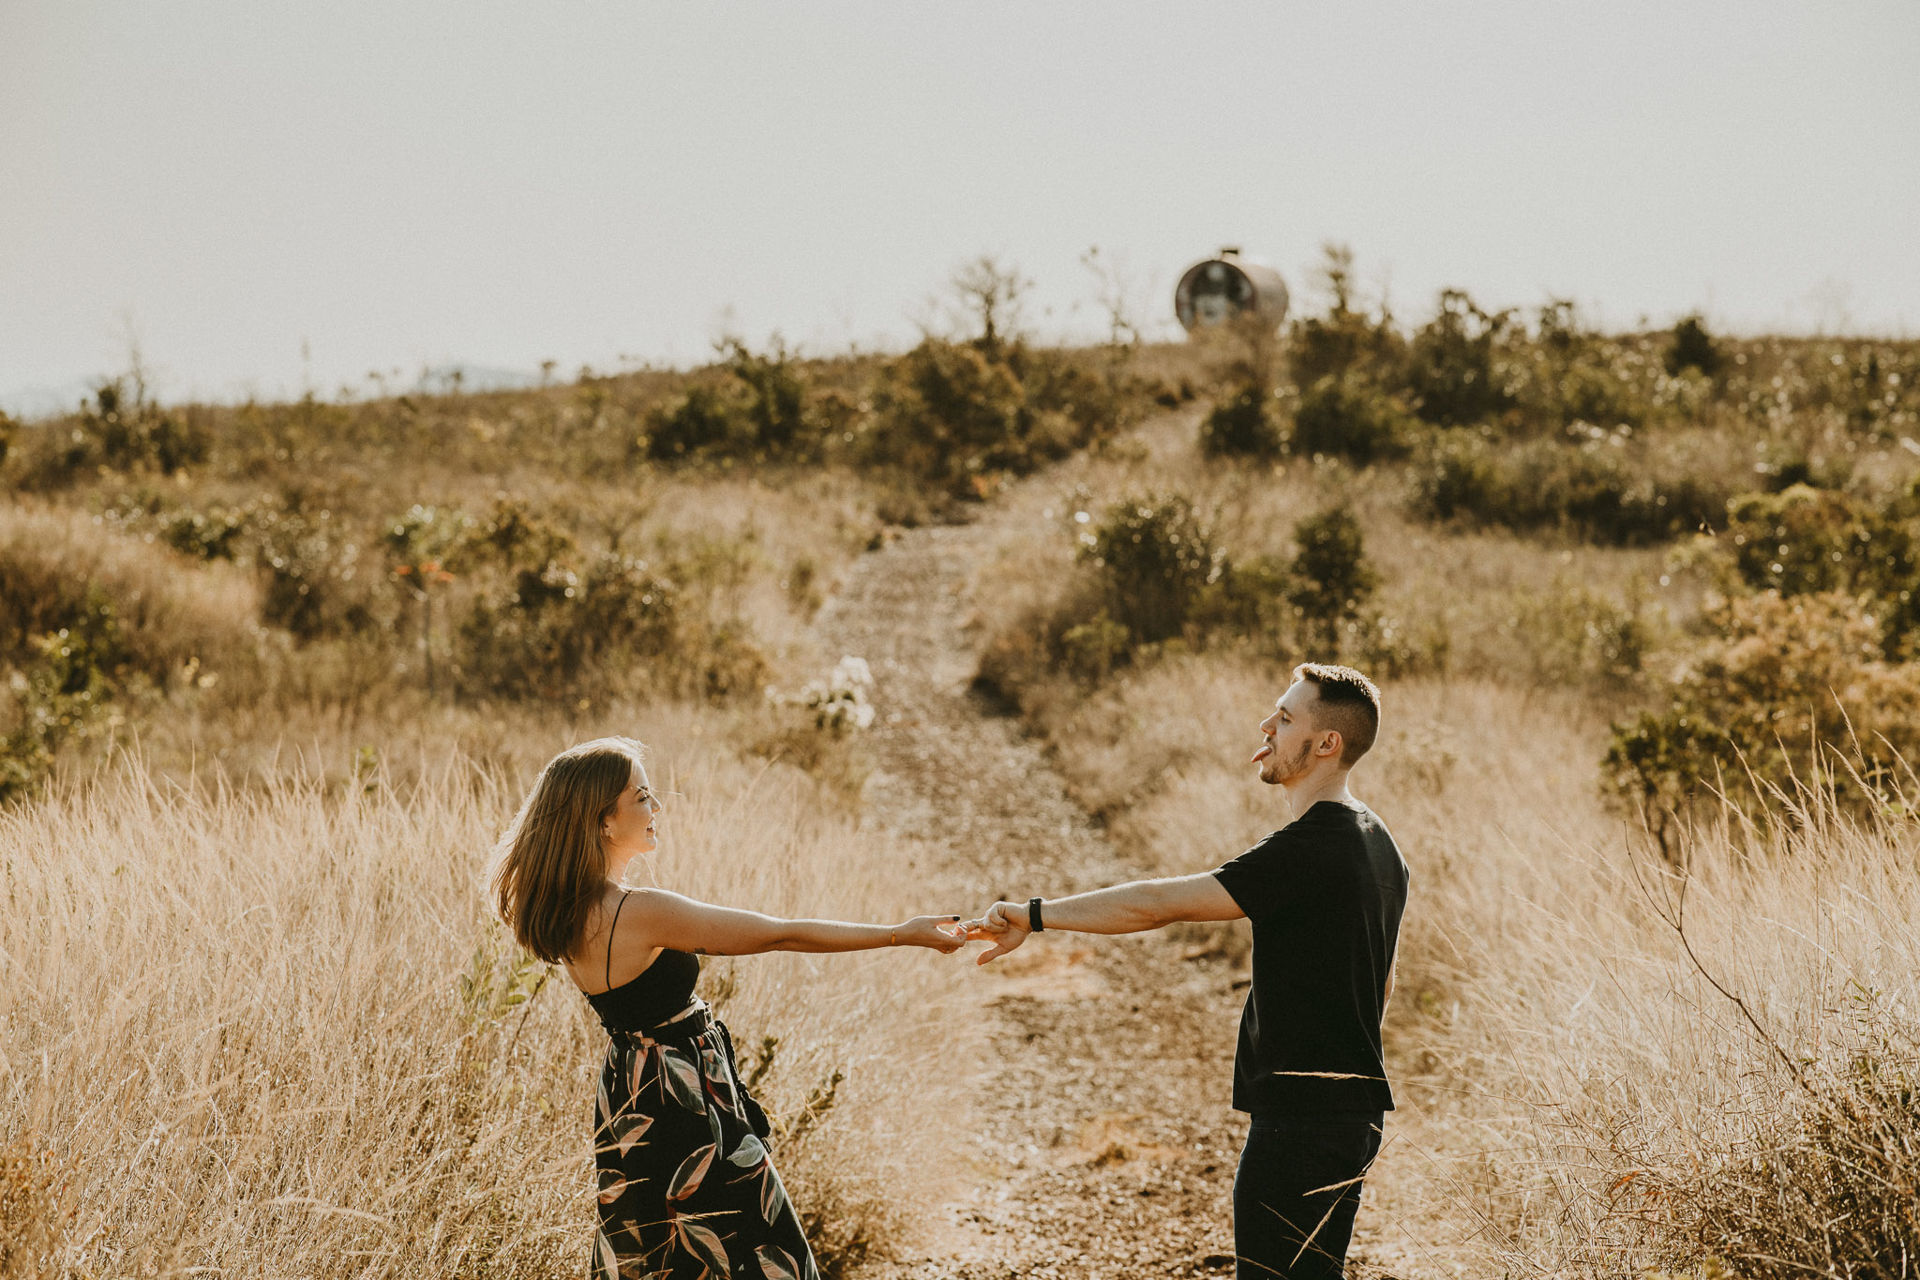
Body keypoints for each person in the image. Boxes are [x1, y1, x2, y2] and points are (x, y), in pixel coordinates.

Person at [965, 663, 1409, 1280]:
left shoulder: (1309, 847)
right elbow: (1383, 981)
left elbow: (1157, 905)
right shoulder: (1381, 843)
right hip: (1352, 1116)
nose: (1267, 725)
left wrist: (1035, 915)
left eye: (1285, 718)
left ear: (1327, 743)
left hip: (1302, 1121)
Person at [490, 736, 967, 1280]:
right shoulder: (639, 912)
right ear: (603, 821)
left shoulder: (566, 911)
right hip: (684, 1098)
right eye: (642, 796)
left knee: (662, 1253)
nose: (657, 806)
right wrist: (899, 933)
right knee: (763, 1250)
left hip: (630, 1092)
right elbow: (779, 934)